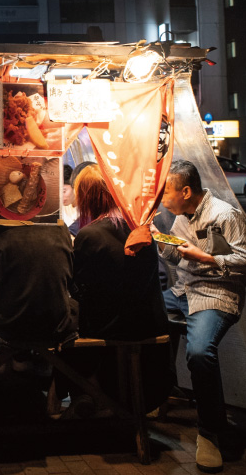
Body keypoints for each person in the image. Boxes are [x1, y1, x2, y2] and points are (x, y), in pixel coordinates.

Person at [151, 160, 246, 473]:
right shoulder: (180, 216)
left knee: (200, 352)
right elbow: (176, 255)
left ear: (186, 191)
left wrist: (209, 258)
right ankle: (157, 393)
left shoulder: (225, 214)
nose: (162, 199)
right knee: (141, 319)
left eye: (166, 191)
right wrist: (159, 237)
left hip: (217, 294)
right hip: (183, 290)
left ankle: (210, 431)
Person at [61, 165, 170, 417]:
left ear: (87, 197)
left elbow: (80, 287)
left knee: (64, 328)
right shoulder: (140, 228)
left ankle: (84, 393)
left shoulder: (88, 235)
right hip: (149, 321)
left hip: (116, 325)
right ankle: (95, 395)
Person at [0, 223, 78, 350]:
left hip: (6, 329)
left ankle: (14, 363)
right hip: (55, 325)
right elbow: (69, 279)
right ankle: (33, 364)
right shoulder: (60, 229)